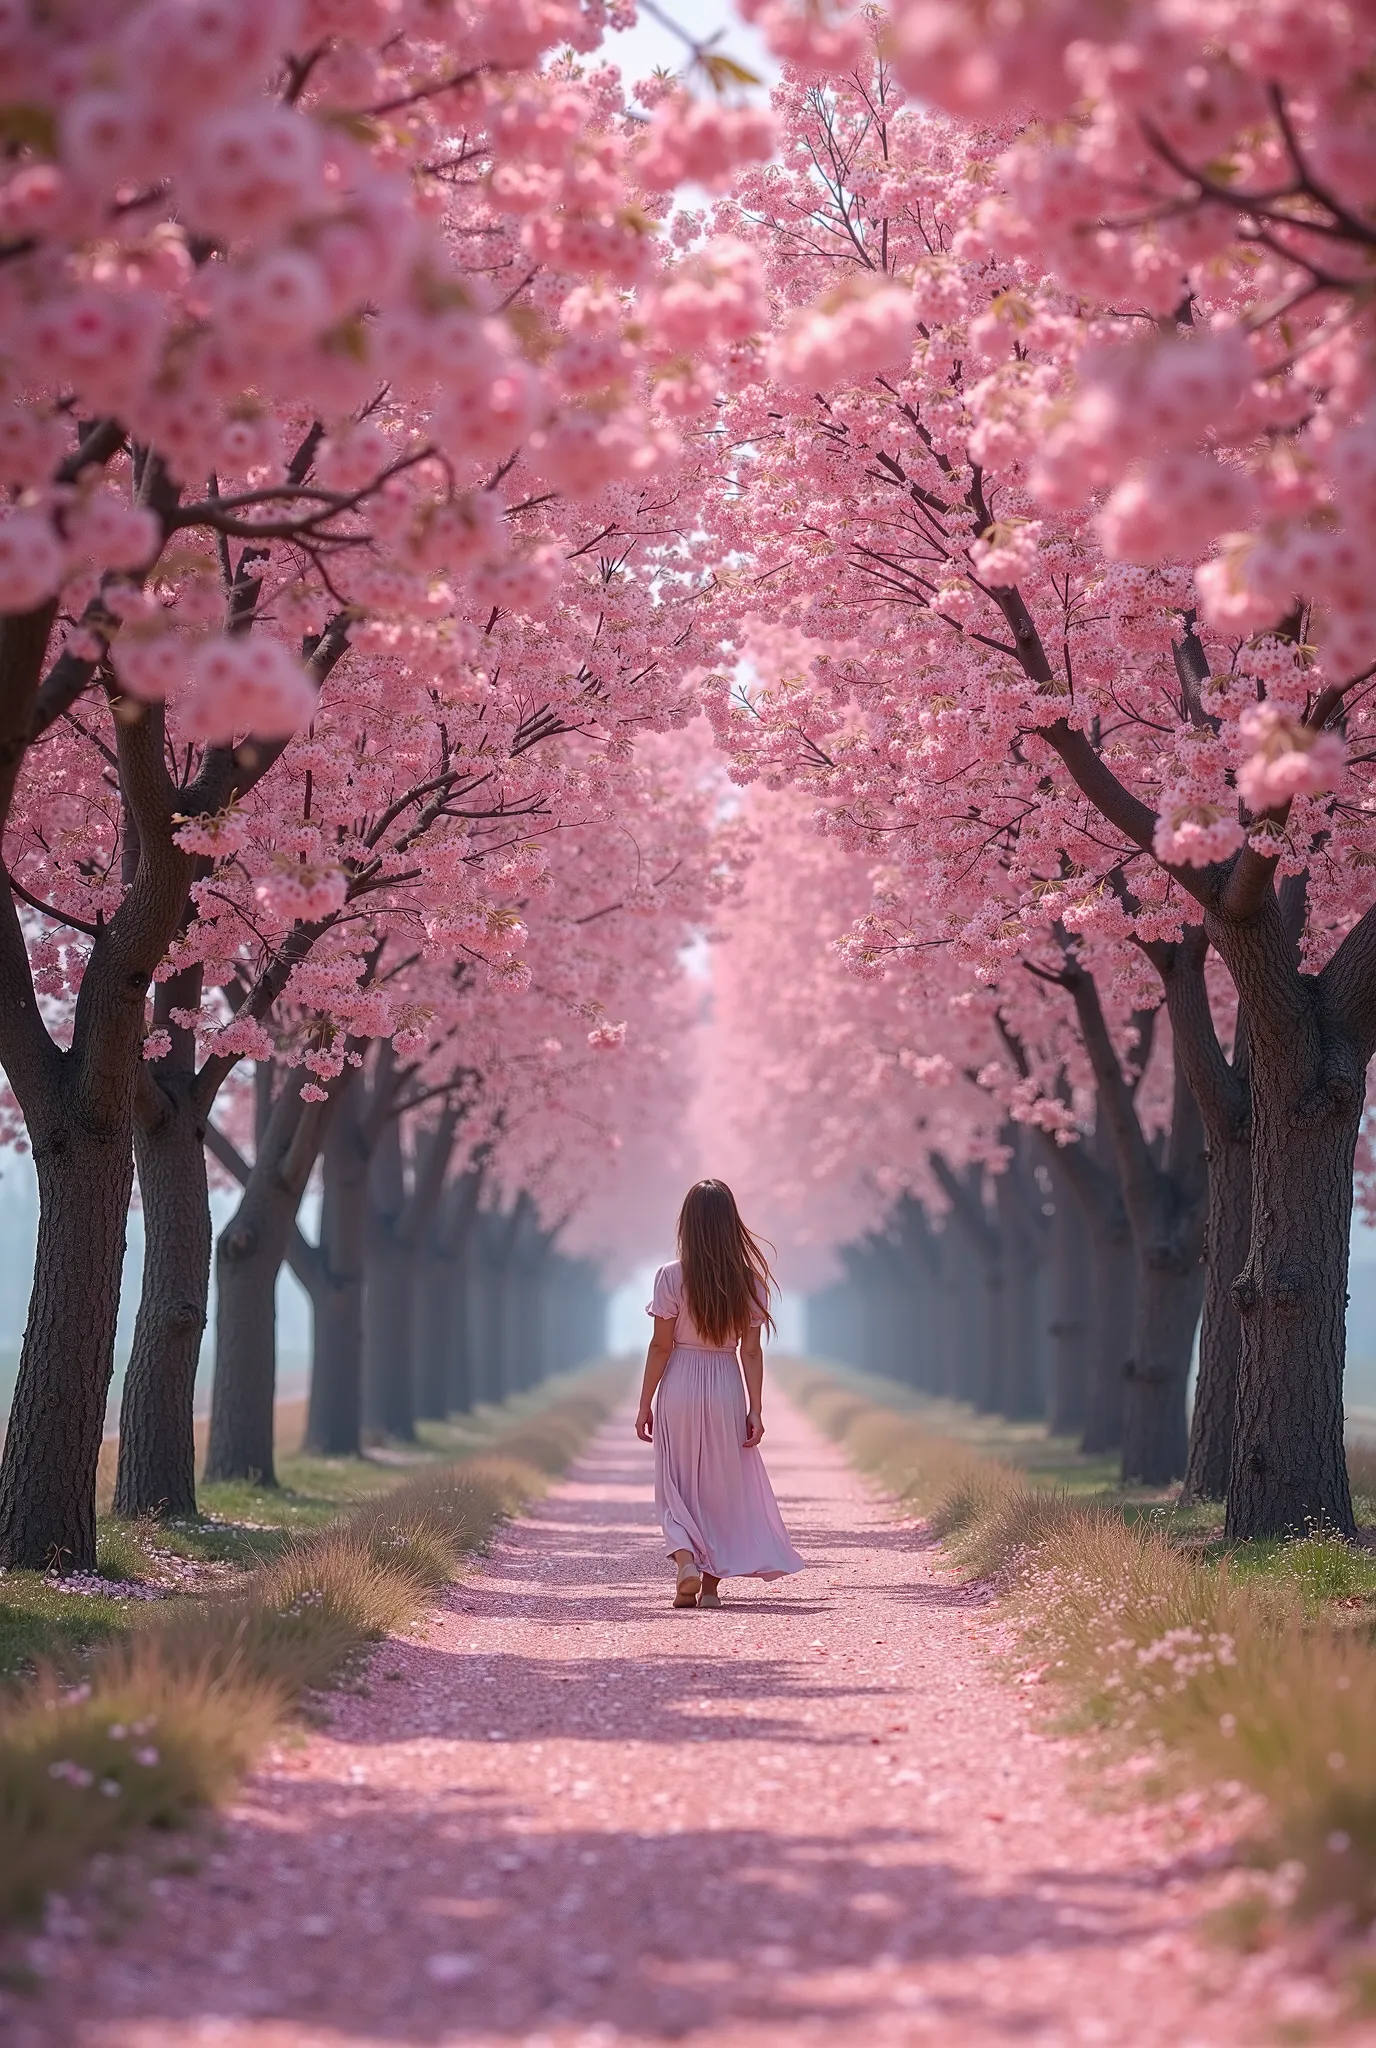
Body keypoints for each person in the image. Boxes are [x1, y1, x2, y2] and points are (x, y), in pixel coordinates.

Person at [635, 1179, 804, 1609]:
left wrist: (644, 1403)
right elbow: (751, 1349)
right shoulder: (750, 1282)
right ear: (732, 1224)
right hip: (726, 1382)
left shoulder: (670, 1277)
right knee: (719, 1486)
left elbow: (660, 1345)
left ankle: (686, 1561)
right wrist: (756, 1408)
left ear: (687, 1224)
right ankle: (710, 1587)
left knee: (676, 1483)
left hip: (680, 1383)